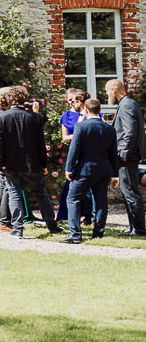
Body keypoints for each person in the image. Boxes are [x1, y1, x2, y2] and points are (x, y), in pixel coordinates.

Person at [0, 87, 61, 239]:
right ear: (24, 99)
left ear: (10, 99)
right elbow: (40, 144)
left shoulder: (3, 117)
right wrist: (44, 165)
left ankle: (17, 229)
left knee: (14, 194)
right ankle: (52, 226)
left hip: (10, 163)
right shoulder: (34, 117)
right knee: (41, 193)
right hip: (32, 163)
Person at [62, 98, 120, 243]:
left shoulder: (81, 127)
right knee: (101, 201)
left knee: (73, 198)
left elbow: (74, 150)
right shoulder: (110, 129)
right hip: (104, 170)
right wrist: (116, 175)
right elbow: (114, 153)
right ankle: (98, 233)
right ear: (99, 110)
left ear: (86, 110)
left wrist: (69, 168)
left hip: (85, 170)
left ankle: (75, 234)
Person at [105, 78, 145, 235]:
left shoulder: (127, 104)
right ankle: (133, 226)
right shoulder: (126, 103)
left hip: (128, 156)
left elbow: (130, 132)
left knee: (130, 191)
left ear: (114, 90)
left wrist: (123, 153)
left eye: (107, 91)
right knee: (127, 190)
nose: (107, 94)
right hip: (128, 156)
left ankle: (139, 228)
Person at [55, 90, 90, 229]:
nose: (72, 102)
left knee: (88, 185)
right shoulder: (67, 115)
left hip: (89, 152)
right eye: (69, 99)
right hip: (74, 152)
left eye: (74, 99)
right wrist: (79, 134)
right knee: (70, 184)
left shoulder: (90, 113)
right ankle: (64, 215)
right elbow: (64, 137)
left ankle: (88, 215)